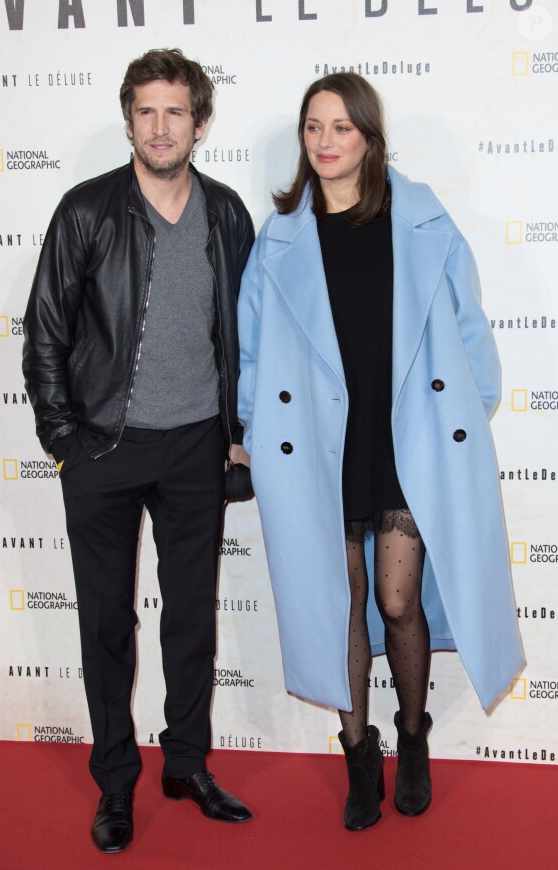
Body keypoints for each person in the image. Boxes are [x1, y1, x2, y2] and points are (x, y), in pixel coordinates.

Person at [237, 72, 524, 831]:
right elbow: (256, 353)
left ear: (369, 134)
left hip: (404, 438)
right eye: (312, 128)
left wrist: (461, 419)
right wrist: (252, 434)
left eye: (340, 127)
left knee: (397, 600)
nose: (325, 142)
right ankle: (358, 753)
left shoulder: (423, 221)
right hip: (319, 447)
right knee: (341, 605)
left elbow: (469, 329)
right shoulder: (281, 237)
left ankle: (414, 735)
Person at [23, 48, 255, 853]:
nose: (161, 127)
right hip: (103, 449)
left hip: (196, 447)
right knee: (106, 626)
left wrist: (236, 438)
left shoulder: (226, 214)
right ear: (129, 119)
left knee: (190, 620)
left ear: (200, 121)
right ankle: (115, 784)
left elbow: (242, 340)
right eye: (147, 111)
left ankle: (186, 764)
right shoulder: (86, 211)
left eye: (176, 111)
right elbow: (45, 330)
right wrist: (65, 439)